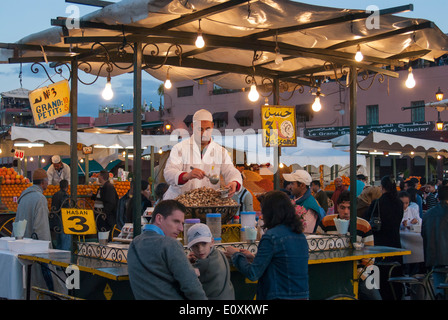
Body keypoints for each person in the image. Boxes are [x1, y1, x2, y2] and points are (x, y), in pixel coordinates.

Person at [224, 190, 309, 300]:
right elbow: (281, 264)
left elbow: (253, 274)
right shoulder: (300, 236)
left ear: (271, 213)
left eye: (263, 211)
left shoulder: (271, 237)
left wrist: (236, 255)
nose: (262, 216)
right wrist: (254, 258)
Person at [127, 200, 207, 300]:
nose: (181, 228)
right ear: (159, 218)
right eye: (176, 221)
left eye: (182, 223)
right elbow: (192, 287)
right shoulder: (170, 244)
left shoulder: (134, 243)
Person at [163, 109, 242, 199]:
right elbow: (168, 173)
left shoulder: (220, 151)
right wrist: (186, 176)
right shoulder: (179, 148)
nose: (204, 133)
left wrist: (234, 182)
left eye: (207, 129)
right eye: (200, 129)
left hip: (208, 202)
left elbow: (231, 171)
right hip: (179, 202)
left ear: (212, 126)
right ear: (193, 126)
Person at [316, 190, 380, 300]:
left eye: (349, 208)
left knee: (374, 296)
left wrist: (358, 273)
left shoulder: (364, 226)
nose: (346, 212)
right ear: (337, 207)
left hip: (359, 272)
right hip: (330, 271)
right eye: (342, 207)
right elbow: (317, 246)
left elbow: (370, 256)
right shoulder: (326, 222)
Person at [365, 175, 404, 300]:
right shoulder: (399, 203)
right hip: (395, 244)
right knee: (394, 276)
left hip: (379, 245)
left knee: (380, 278)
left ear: (382, 187)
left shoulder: (377, 203)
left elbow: (366, 221)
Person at [16, 168, 54, 292]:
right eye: (47, 181)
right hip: (35, 247)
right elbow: (41, 227)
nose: (48, 183)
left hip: (22, 245)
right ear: (43, 183)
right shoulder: (40, 199)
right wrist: (46, 249)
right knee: (41, 280)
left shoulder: (23, 197)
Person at [186, 223, 235, 300]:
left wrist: (186, 261)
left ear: (212, 242)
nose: (200, 249)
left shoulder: (204, 264)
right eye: (195, 246)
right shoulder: (220, 254)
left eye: (204, 244)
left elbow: (183, 275)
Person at [422, 185, 448, 300]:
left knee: (439, 283)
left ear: (438, 197)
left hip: (434, 258)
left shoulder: (428, 214)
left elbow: (423, 235)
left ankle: (439, 294)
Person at [50, 179, 71, 250]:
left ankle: (58, 253)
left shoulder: (55, 194)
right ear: (67, 187)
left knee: (58, 239)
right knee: (65, 239)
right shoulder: (65, 195)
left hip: (56, 218)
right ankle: (64, 255)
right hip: (62, 219)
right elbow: (65, 208)